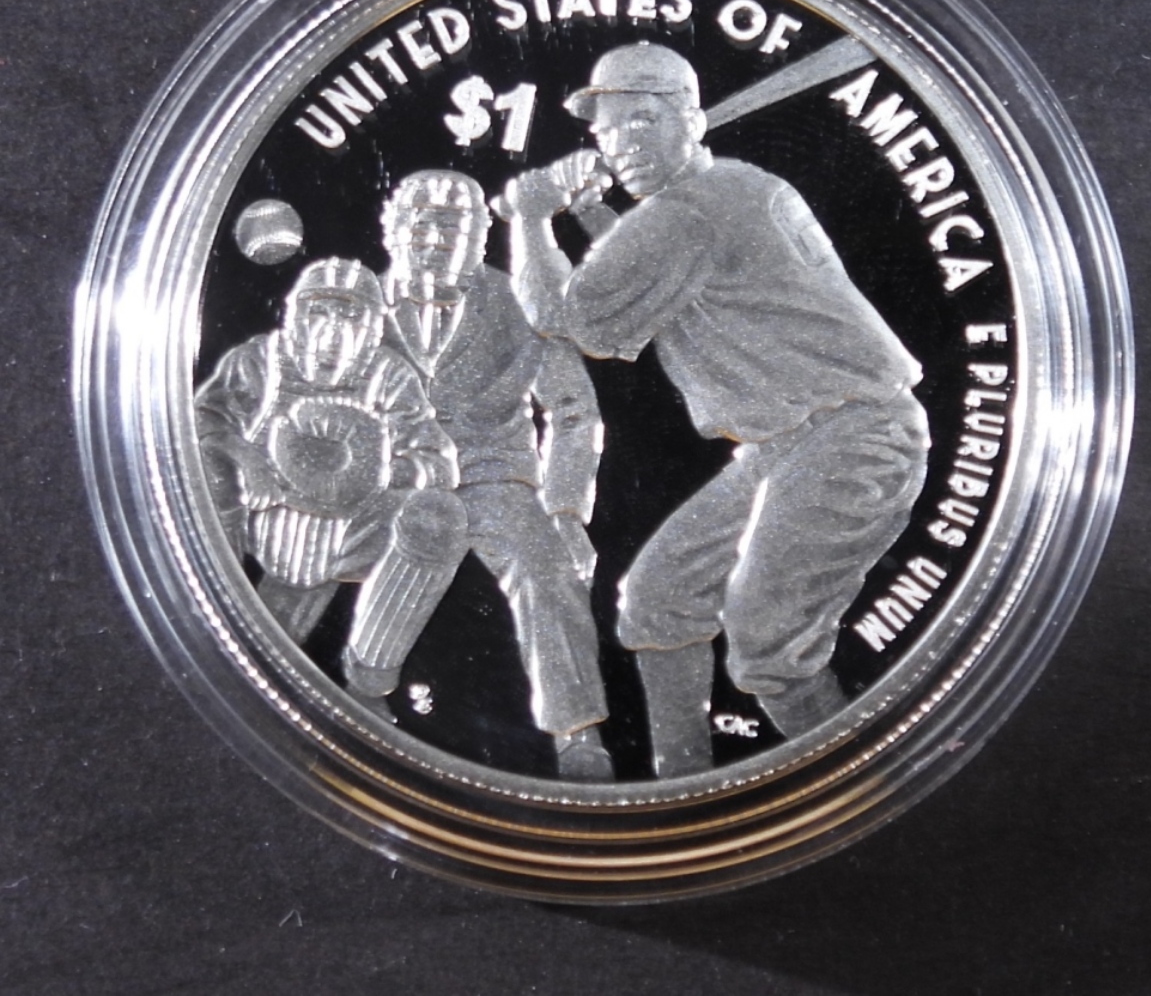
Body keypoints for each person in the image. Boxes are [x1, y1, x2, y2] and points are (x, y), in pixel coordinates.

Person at [498, 41, 930, 777]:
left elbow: (566, 321)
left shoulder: (691, 210)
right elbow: (661, 279)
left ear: (692, 120)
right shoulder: (731, 188)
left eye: (643, 121)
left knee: (767, 646)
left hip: (852, 440)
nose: (621, 141)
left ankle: (858, 788)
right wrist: (594, 209)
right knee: (658, 601)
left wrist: (532, 218)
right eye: (608, 128)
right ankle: (685, 785)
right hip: (791, 445)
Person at [378, 170, 612, 780]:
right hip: (387, 481)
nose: (435, 239)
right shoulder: (360, 305)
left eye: (452, 226)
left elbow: (574, 411)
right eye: (421, 225)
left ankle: (579, 739)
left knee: (547, 568)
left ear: (480, 237)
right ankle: (352, 699)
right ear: (394, 232)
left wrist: (565, 513)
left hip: (492, 480)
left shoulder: (518, 301)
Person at [195, 256, 468, 720]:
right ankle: (212, 605)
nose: (331, 330)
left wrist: (377, 473)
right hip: (265, 518)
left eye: (349, 315)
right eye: (319, 311)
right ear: (294, 314)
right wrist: (248, 460)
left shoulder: (389, 377)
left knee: (437, 517)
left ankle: (370, 681)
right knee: (210, 465)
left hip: (356, 529)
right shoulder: (259, 362)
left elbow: (437, 461)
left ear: (373, 327)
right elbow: (202, 419)